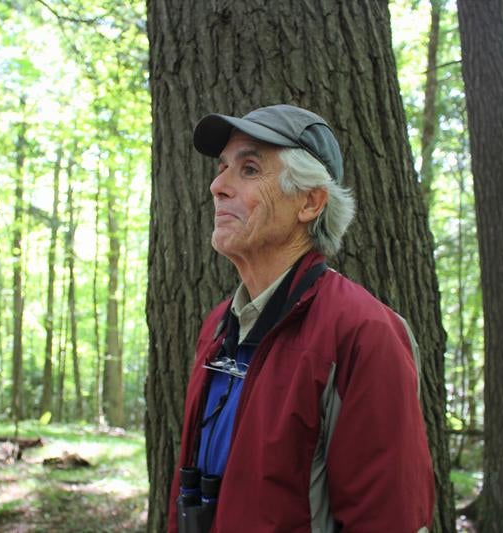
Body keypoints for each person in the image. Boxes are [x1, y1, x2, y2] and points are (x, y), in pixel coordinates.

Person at [168, 104, 435, 533]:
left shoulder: (363, 332)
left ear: (310, 202)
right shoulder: (220, 326)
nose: (218, 186)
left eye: (249, 169)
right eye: (222, 169)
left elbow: (388, 519)